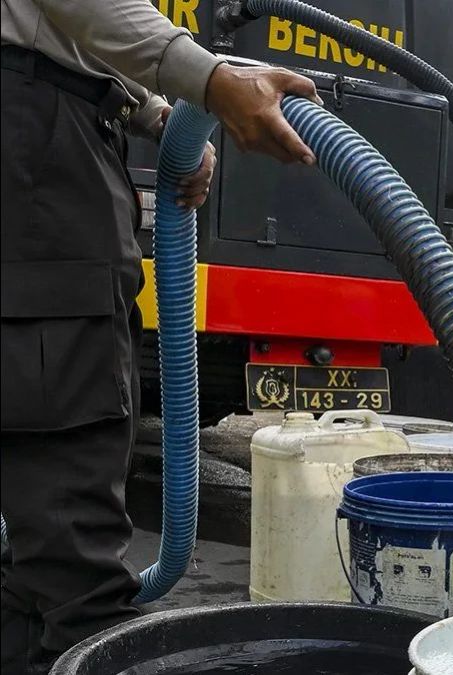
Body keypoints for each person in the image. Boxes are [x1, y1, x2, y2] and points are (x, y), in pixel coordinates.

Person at [1, 1, 322, 671]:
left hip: (49, 124)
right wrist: (210, 80)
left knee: (29, 557)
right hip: (34, 139)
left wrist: (154, 111)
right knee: (69, 559)